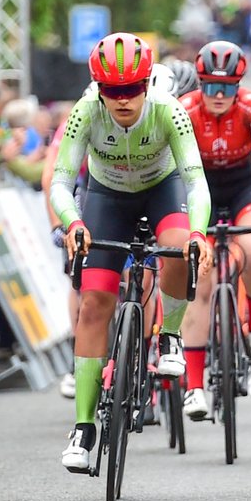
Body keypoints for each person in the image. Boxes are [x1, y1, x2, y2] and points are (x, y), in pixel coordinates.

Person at [51, 32, 211, 473]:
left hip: (162, 188)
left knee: (178, 250)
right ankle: (83, 428)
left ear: (147, 85)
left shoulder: (169, 110)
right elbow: (61, 182)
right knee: (94, 303)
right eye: (112, 91)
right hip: (107, 195)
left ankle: (171, 334)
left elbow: (196, 182)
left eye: (132, 90)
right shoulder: (84, 112)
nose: (123, 100)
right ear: (98, 90)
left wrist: (198, 232)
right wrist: (74, 223)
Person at [178, 40, 251, 420]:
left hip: (242, 186)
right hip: (199, 185)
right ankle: (193, 387)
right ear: (199, 84)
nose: (219, 95)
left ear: (239, 86)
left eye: (228, 87)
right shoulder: (185, 110)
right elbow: (177, 172)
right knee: (201, 277)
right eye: (210, 86)